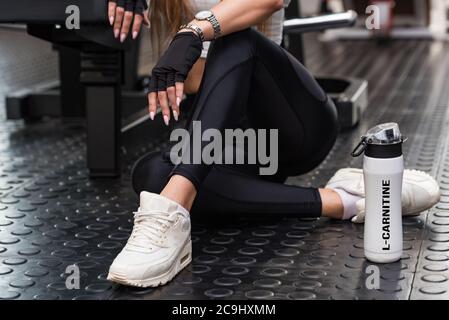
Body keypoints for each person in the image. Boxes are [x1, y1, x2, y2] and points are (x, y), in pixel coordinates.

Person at [105, 0, 441, 288]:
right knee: (149, 175)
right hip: (230, 142)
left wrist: (193, 31)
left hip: (289, 127)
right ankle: (343, 200)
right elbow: (189, 80)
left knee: (235, 38)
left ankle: (170, 214)